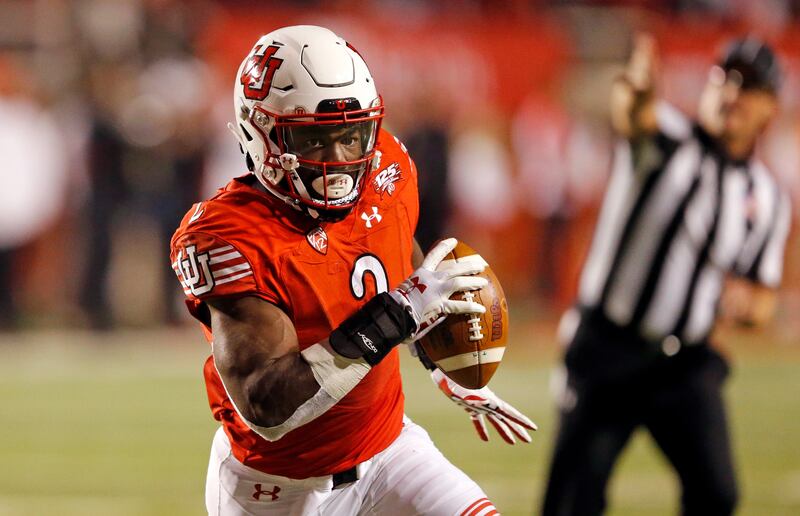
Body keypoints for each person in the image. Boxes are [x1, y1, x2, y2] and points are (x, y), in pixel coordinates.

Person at [170, 25, 536, 515]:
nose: (339, 161)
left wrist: (438, 355)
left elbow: (399, 262)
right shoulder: (230, 234)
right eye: (312, 140)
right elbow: (268, 406)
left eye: (351, 135)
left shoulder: (387, 165)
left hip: (390, 453)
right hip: (277, 491)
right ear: (258, 134)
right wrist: (397, 316)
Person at [541, 35, 791, 516]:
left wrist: (744, 308)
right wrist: (633, 91)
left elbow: (763, 297)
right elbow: (635, 116)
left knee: (717, 495)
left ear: (769, 108)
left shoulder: (765, 196)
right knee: (572, 503)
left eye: (751, 86)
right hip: (608, 349)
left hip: (684, 363)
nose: (734, 92)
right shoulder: (668, 140)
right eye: (727, 77)